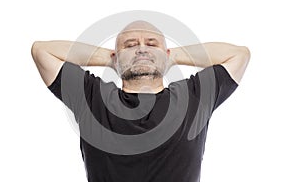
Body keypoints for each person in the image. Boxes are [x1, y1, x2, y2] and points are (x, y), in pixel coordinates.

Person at [31, 20, 250, 182]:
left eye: (152, 44)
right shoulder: (93, 97)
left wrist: (173, 56)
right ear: (115, 55)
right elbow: (42, 51)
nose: (141, 48)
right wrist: (110, 59)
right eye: (130, 45)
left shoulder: (192, 97)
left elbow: (239, 55)